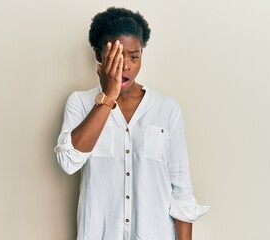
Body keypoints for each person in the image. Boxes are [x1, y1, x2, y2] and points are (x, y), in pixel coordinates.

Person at [54, 7, 209, 240]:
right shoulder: (80, 102)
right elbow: (68, 161)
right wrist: (108, 96)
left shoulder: (167, 109)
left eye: (134, 56)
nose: (126, 65)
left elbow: (182, 191)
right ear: (99, 55)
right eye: (116, 55)